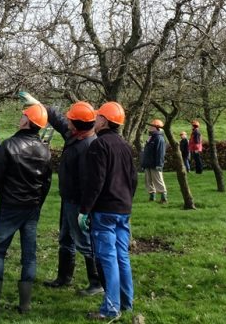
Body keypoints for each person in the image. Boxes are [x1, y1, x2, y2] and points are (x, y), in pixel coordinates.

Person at [18, 92, 104, 296]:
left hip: (79, 203)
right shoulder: (76, 135)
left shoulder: (89, 147)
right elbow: (58, 120)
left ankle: (97, 282)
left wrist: (85, 210)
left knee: (84, 241)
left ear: (79, 126)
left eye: (72, 121)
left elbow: (90, 183)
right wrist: (40, 105)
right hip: (68, 199)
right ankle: (64, 277)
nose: (69, 124)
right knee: (65, 239)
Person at [0, 103, 53, 314]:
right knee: (29, 256)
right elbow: (46, 184)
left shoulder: (8, 146)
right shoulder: (45, 150)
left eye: (23, 115)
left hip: (10, 208)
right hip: (31, 209)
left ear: (28, 121)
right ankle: (25, 304)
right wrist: (37, 204)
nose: (20, 117)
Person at [78, 101, 137, 321]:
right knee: (122, 256)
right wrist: (127, 202)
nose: (95, 120)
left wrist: (85, 210)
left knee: (108, 258)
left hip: (104, 211)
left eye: (97, 117)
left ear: (103, 120)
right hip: (123, 209)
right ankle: (126, 302)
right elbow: (133, 179)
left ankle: (111, 308)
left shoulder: (99, 145)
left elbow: (96, 181)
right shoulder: (125, 146)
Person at [140, 119, 167, 203]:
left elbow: (160, 153)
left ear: (157, 128)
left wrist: (159, 164)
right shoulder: (151, 137)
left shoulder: (159, 138)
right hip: (148, 163)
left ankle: (164, 197)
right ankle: (152, 196)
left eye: (152, 126)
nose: (150, 127)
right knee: (148, 181)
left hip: (155, 164)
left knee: (158, 180)